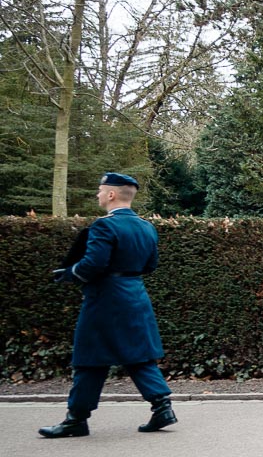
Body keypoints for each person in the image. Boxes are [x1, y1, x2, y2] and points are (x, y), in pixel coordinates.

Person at [39, 173, 177, 439]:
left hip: (105, 298)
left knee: (89, 357)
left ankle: (76, 419)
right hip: (135, 294)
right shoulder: (147, 226)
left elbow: (93, 265)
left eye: (100, 190)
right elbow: (150, 265)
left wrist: (67, 274)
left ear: (112, 194)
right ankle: (163, 407)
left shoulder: (104, 226)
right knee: (139, 355)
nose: (98, 195)